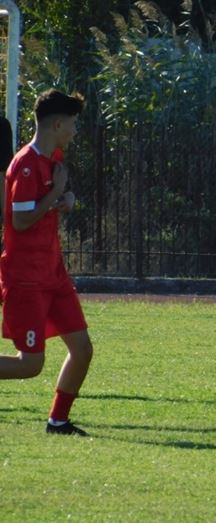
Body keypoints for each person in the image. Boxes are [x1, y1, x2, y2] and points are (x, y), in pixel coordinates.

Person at [0, 89, 93, 436]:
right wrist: (56, 194)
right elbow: (21, 221)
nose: (75, 132)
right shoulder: (25, 165)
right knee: (30, 365)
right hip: (26, 278)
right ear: (57, 124)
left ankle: (58, 421)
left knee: (82, 349)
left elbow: (44, 206)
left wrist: (65, 199)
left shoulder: (52, 158)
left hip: (53, 274)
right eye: (73, 124)